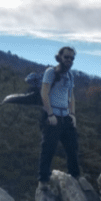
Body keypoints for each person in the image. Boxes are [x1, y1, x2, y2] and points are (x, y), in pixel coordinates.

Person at [38, 46, 80, 184]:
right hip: (53, 117)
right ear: (60, 57)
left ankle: (75, 178)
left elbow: (71, 96)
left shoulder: (70, 75)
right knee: (48, 150)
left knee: (72, 149)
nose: (69, 60)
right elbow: (44, 93)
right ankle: (43, 181)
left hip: (65, 117)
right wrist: (50, 114)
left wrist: (72, 114)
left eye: (72, 58)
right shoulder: (51, 72)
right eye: (66, 57)